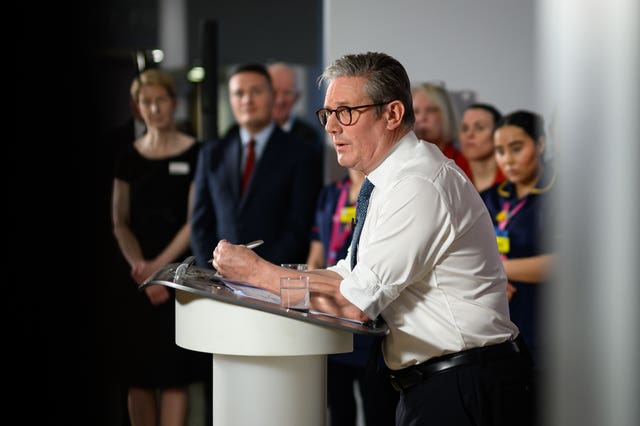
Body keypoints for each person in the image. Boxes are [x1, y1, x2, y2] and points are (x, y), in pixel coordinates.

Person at [211, 52, 536, 426]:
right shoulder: (388, 181)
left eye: (346, 111)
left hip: (466, 383)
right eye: (328, 114)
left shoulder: (418, 184)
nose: (332, 127)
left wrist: (257, 274)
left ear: (393, 114)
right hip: (438, 382)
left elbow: (355, 305)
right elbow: (350, 276)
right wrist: (258, 283)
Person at [111, 68, 209, 426]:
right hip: (135, 278)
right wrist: (139, 265)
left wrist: (159, 271)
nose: (154, 109)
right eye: (146, 102)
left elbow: (192, 221)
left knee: (173, 374)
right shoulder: (127, 157)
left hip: (174, 278)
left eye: (160, 101)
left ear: (173, 103)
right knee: (136, 374)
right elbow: (119, 221)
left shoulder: (196, 152)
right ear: (138, 107)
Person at [191, 63, 323, 268]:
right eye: (238, 93)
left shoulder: (302, 154)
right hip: (218, 280)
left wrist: (258, 271)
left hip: (273, 280)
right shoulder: (212, 154)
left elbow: (299, 226)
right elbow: (200, 225)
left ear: (273, 96)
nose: (247, 100)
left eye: (256, 92)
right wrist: (213, 272)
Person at [307, 167, 399, 425]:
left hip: (366, 309)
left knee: (377, 405)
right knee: (337, 405)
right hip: (330, 308)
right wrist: (308, 290)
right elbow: (316, 253)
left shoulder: (383, 192)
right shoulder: (330, 193)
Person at [480, 110, 557, 371]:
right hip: (497, 327)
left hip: (546, 325)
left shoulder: (559, 194)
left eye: (516, 148)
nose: (507, 160)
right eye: (500, 151)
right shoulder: (489, 198)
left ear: (541, 144)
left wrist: (495, 272)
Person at [411, 82, 472, 178]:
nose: (421, 118)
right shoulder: (399, 160)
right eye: (415, 112)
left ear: (447, 115)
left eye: (431, 110)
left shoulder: (465, 164)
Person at [459, 102, 506, 192]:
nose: (469, 134)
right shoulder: (451, 174)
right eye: (464, 128)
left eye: (479, 128)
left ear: (498, 134)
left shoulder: (512, 174)